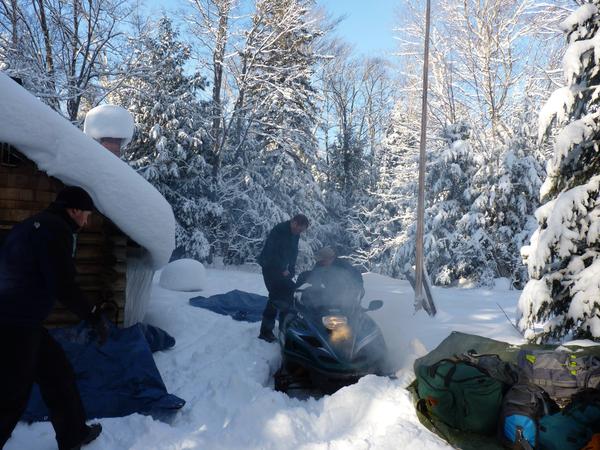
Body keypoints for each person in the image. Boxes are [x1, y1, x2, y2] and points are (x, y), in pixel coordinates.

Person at [0, 186, 108, 450]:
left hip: (23, 321)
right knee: (13, 394)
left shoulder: (33, 226)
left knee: (58, 375)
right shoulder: (55, 230)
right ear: (72, 211)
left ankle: (73, 434)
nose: (87, 220)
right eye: (85, 214)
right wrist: (92, 315)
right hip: (14, 324)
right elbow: (63, 283)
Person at [257, 214, 310, 342]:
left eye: (301, 230)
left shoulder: (295, 234)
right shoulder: (279, 230)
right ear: (294, 222)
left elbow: (293, 252)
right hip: (270, 267)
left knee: (291, 293)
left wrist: (291, 268)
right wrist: (282, 269)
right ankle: (265, 331)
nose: (299, 232)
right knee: (276, 297)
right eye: (298, 229)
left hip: (282, 270)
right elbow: (272, 252)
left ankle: (284, 326)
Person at [296, 247, 364, 308]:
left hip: (345, 295)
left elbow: (356, 276)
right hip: (329, 293)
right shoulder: (319, 265)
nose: (322, 262)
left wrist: (358, 288)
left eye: (324, 260)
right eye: (321, 260)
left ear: (331, 258)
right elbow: (315, 278)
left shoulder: (343, 265)